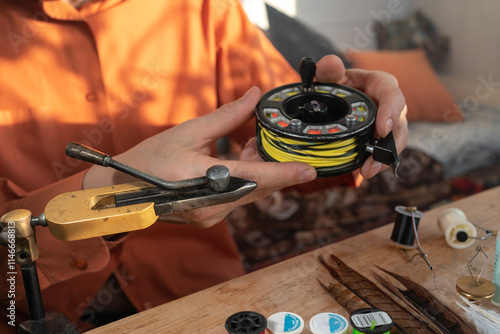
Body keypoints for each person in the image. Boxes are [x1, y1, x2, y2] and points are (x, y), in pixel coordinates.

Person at [0, 0, 407, 332]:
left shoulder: (207, 8)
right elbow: (10, 244)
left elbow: (298, 153)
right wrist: (113, 184)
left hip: (210, 301)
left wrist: (354, 127)